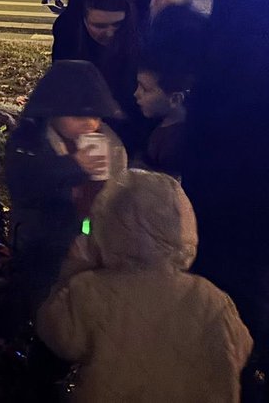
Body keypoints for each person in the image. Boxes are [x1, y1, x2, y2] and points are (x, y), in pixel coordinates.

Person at [176, 0, 269, 395]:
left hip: (241, 188)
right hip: (242, 178)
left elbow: (237, 79)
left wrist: (175, 27)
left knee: (236, 299)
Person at [37, 170, 252, 403]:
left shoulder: (90, 289)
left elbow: (57, 335)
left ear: (109, 225)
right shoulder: (211, 298)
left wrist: (72, 270)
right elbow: (240, 348)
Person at [4, 60, 128, 318]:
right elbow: (25, 183)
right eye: (78, 116)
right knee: (45, 300)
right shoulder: (29, 142)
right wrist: (72, 166)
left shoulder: (108, 142)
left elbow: (118, 185)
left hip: (91, 239)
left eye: (95, 116)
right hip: (42, 242)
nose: (89, 124)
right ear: (53, 111)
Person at [51, 0, 152, 156]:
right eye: (99, 26)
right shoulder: (68, 33)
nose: (110, 33)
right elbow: (64, 82)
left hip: (133, 118)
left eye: (117, 24)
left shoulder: (138, 31)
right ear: (82, 19)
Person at [133, 5, 207, 178]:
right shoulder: (162, 125)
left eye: (145, 89)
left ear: (175, 99)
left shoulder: (175, 143)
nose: (136, 94)